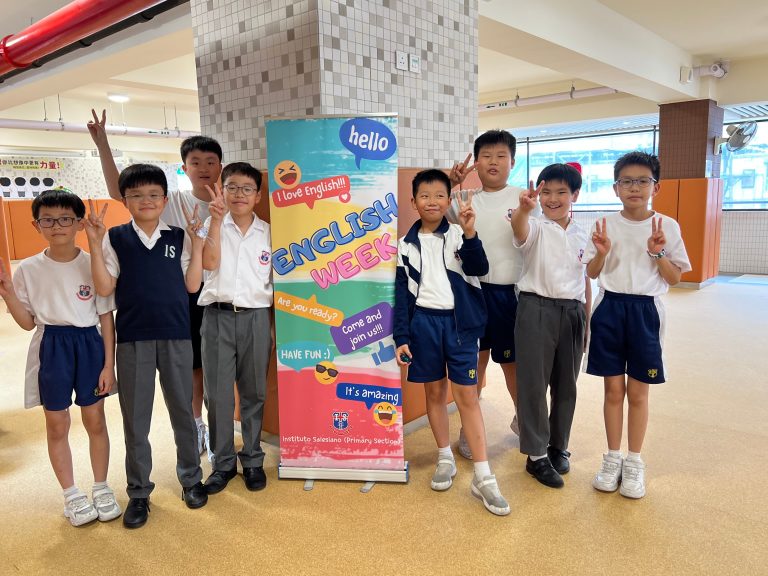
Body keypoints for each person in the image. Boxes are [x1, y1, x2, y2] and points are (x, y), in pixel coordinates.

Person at [88, 109, 220, 460]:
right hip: (184, 296)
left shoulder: (231, 200)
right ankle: (196, 425)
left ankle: (216, 429)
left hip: (221, 298)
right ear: (184, 168)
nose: (203, 167)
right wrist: (102, 145)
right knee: (191, 369)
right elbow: (121, 189)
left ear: (220, 166)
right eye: (195, 162)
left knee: (215, 370)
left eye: (210, 161)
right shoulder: (173, 200)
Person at [84, 163, 209, 528]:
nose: (146, 201)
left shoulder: (179, 236)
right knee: (135, 420)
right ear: (125, 200)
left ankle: (191, 479)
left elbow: (192, 284)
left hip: (176, 335)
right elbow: (104, 287)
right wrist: (94, 244)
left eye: (154, 194)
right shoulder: (116, 238)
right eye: (136, 195)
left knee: (183, 413)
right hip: (133, 339)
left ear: (165, 199)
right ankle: (139, 492)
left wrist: (198, 242)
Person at [0, 189, 121, 526]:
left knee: (95, 420)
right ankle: (71, 495)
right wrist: (8, 295)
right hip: (51, 346)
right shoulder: (28, 269)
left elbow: (106, 319)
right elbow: (27, 323)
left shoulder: (92, 263)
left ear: (79, 223)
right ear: (36, 225)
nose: (57, 226)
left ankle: (101, 487)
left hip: (89, 345)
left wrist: (108, 365)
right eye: (48, 220)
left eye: (65, 219)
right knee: (57, 424)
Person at [394, 169, 510, 516]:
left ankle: (483, 476)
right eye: (424, 196)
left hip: (460, 327)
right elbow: (401, 297)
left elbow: (479, 267)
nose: (432, 201)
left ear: (448, 201)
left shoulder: (460, 233)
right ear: (413, 202)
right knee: (434, 394)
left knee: (467, 397)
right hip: (423, 326)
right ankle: (445, 456)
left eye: (439, 196)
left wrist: (471, 233)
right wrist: (402, 337)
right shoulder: (404, 246)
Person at [584, 151, 691, 499]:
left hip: (646, 311)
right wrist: (602, 253)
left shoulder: (667, 226)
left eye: (642, 181)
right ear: (616, 188)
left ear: (655, 187)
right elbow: (592, 273)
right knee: (613, 390)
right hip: (610, 308)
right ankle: (612, 457)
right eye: (627, 181)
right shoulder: (604, 224)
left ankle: (634, 461)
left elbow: (674, 278)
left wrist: (657, 253)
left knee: (639, 392)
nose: (634, 187)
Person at [448, 129, 539, 459]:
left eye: (501, 156)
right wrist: (452, 184)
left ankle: (525, 422)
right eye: (486, 156)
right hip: (471, 293)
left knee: (513, 364)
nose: (493, 162)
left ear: (512, 162)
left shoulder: (523, 199)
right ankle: (468, 429)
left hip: (508, 295)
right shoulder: (464, 198)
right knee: (474, 362)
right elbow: (437, 216)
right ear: (476, 163)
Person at [185, 162, 273, 494]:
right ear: (222, 191)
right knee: (218, 396)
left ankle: (252, 459)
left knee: (254, 393)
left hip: (256, 318)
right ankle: (222, 463)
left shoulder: (269, 233)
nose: (239, 194)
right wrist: (217, 221)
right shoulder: (210, 225)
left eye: (247, 188)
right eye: (232, 187)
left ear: (257, 195)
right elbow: (209, 263)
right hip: (217, 318)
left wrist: (272, 328)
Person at [510, 164, 590, 488]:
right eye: (546, 192)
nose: (553, 198)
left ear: (575, 195)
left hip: (573, 312)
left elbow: (585, 279)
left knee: (567, 385)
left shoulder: (583, 233)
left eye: (561, 192)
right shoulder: (535, 226)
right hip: (536, 308)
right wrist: (523, 210)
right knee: (533, 384)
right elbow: (519, 230)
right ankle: (536, 456)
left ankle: (558, 447)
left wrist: (587, 319)